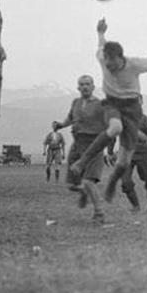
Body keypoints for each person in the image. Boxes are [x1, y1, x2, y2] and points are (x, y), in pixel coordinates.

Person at [68, 18, 147, 202]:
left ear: (120, 58)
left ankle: (113, 181)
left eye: (111, 62)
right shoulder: (102, 58)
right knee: (114, 128)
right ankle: (82, 162)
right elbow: (101, 45)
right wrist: (101, 32)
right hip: (112, 103)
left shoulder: (136, 64)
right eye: (106, 61)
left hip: (132, 107)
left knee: (123, 161)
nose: (108, 66)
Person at [54, 74, 107, 224]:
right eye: (82, 84)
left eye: (87, 84)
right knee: (72, 185)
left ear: (93, 87)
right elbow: (70, 118)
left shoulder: (99, 104)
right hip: (77, 145)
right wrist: (61, 125)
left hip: (93, 146)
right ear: (78, 87)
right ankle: (83, 191)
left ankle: (99, 214)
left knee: (89, 181)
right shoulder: (75, 102)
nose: (84, 87)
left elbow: (109, 125)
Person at [120, 115, 147, 212]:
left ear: (141, 102)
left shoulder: (145, 120)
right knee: (125, 182)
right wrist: (110, 152)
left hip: (142, 153)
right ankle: (135, 206)